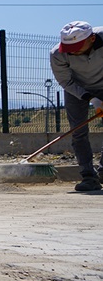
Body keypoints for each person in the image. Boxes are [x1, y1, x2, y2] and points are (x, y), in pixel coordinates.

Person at [50, 20, 103, 192]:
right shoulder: (58, 54)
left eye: (77, 47)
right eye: (69, 48)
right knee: (78, 132)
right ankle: (88, 176)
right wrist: (92, 99)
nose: (72, 52)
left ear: (92, 39)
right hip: (76, 89)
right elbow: (66, 81)